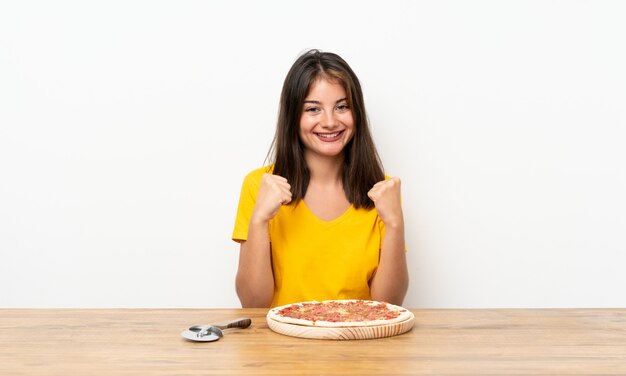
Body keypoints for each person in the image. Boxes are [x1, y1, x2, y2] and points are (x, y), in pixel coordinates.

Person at [232, 49, 408, 308]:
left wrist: (394, 224)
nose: (329, 121)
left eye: (342, 107)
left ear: (356, 112)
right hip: (282, 345)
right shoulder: (259, 186)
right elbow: (253, 302)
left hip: (357, 342)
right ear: (293, 117)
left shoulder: (383, 190)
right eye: (313, 109)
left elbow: (389, 305)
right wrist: (259, 219)